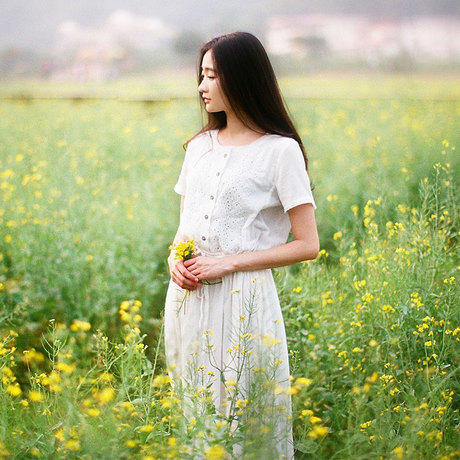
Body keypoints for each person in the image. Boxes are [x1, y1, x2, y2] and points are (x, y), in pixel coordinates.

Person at [164, 32, 319, 458]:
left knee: (245, 421)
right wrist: (173, 263)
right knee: (196, 420)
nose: (201, 86)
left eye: (212, 75)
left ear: (242, 78)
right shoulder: (197, 148)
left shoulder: (279, 152)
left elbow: (307, 244)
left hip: (243, 301)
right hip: (186, 300)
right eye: (201, 74)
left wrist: (229, 263)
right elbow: (184, 229)